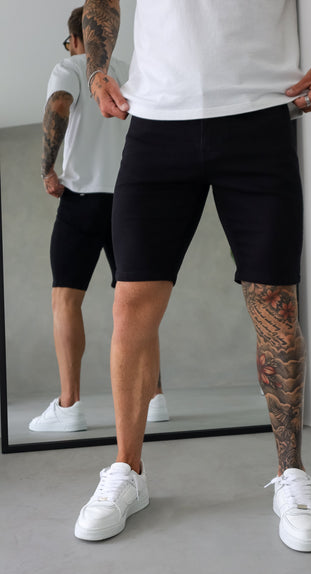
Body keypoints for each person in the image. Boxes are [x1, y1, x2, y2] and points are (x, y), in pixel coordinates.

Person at [74, 0, 311, 551]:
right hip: (157, 120)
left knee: (276, 306)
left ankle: (291, 475)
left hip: (259, 116)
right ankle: (127, 471)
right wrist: (97, 69)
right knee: (131, 304)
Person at [29, 6, 169, 434]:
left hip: (83, 200)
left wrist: (47, 168)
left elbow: (58, 104)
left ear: (75, 40)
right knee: (140, 302)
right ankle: (155, 398)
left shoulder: (70, 66)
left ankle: (69, 405)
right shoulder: (129, 72)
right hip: (130, 199)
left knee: (65, 299)